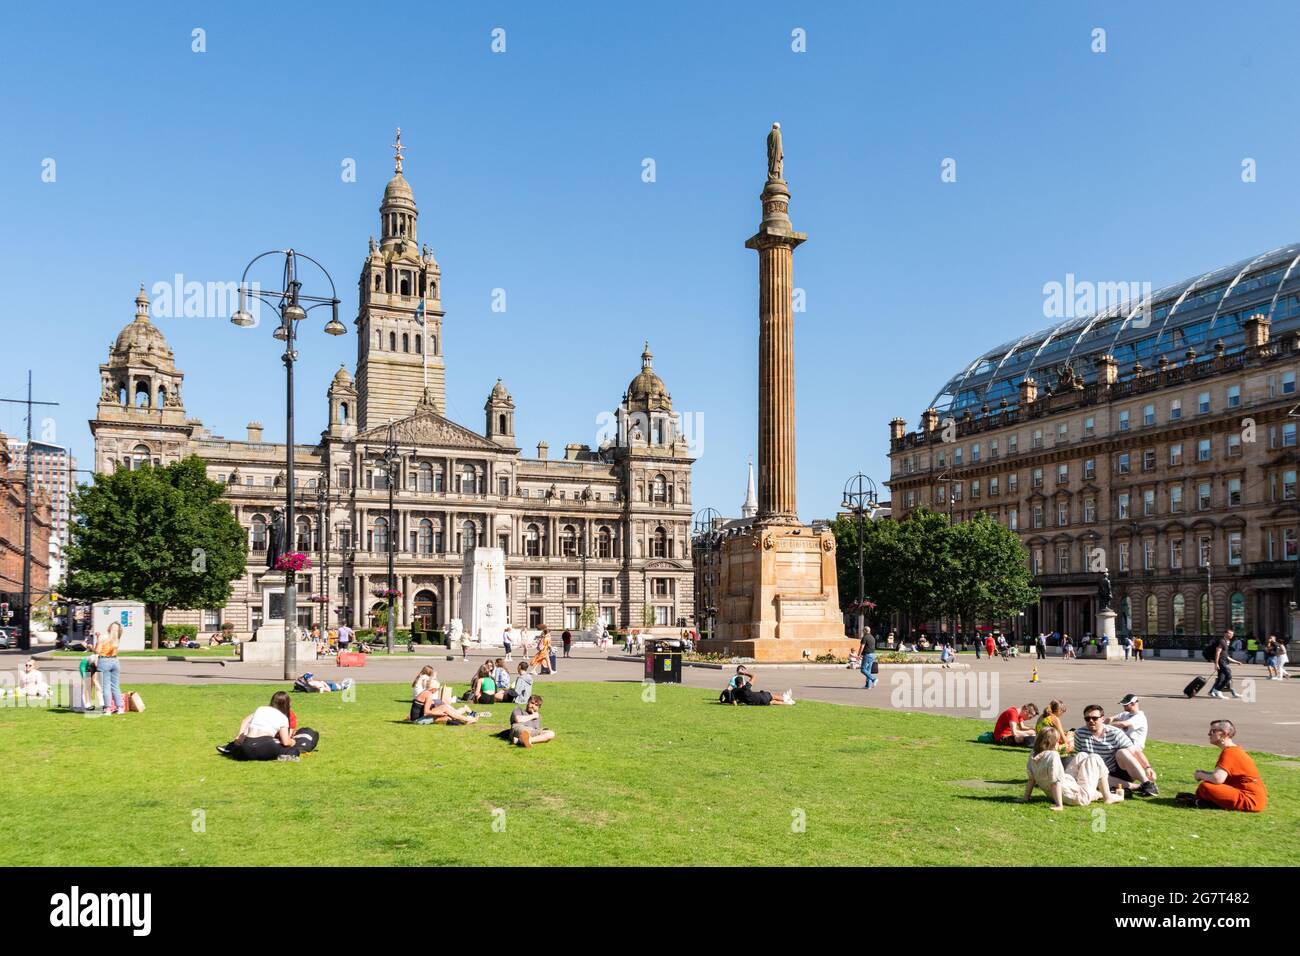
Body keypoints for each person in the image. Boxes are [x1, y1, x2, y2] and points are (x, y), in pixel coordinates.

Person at [1020, 727, 1124, 810]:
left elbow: (1031, 779)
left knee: (1082, 755)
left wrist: (1026, 797)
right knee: (1095, 758)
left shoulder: (1033, 754)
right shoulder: (1053, 756)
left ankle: (1102, 794)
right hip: (1075, 796)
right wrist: (1059, 805)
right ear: (1052, 743)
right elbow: (1055, 782)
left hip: (1065, 789)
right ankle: (1108, 797)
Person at [1176, 720, 1267, 812]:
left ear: (1224, 734)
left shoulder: (1230, 752)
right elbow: (1221, 775)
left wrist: (1200, 775)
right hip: (1254, 798)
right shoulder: (1233, 750)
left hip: (1250, 799)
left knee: (1206, 786)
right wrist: (1204, 773)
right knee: (1206, 786)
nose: (1209, 734)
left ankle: (1202, 802)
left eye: (1213, 731)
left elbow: (1217, 778)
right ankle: (1201, 801)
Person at [1073, 703, 1158, 796]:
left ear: (1102, 719)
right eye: (1087, 719)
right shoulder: (1079, 733)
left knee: (1123, 752)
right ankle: (1136, 787)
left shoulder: (1114, 732)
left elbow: (1135, 751)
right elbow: (1079, 756)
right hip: (1099, 774)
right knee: (1092, 773)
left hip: (1119, 770)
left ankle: (1147, 784)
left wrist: (1147, 767)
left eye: (1094, 718)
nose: (1091, 721)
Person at [217, 691, 317, 760]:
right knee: (293, 750)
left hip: (246, 747)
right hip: (266, 745)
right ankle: (286, 757)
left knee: (240, 749)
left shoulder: (260, 709)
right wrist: (293, 742)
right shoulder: (283, 717)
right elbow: (286, 742)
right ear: (287, 705)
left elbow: (245, 720)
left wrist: (239, 735)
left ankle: (231, 749)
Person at [1105, 693, 1156, 783]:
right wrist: (1104, 721)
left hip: (1134, 749)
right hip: (1124, 746)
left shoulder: (1140, 717)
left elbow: (1123, 724)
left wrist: (1105, 727)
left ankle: (1145, 780)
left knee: (1122, 752)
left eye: (1126, 704)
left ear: (1134, 704)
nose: (1124, 706)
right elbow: (1112, 718)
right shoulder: (1125, 714)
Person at [96, 621, 125, 715]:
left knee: (106, 687)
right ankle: (120, 708)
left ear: (109, 628)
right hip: (115, 662)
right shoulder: (117, 639)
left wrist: (96, 641)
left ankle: (108, 709)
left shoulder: (103, 637)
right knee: (115, 686)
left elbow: (97, 651)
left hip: (104, 661)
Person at [1209, 629, 1240, 699]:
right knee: (1228, 676)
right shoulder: (1222, 641)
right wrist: (1216, 663)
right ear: (1225, 634)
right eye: (1230, 633)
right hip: (1221, 662)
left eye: (1232, 634)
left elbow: (1226, 656)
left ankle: (1213, 691)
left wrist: (1236, 662)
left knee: (1221, 678)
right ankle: (1217, 690)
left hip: (1224, 661)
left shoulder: (1226, 642)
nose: (1232, 635)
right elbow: (1217, 653)